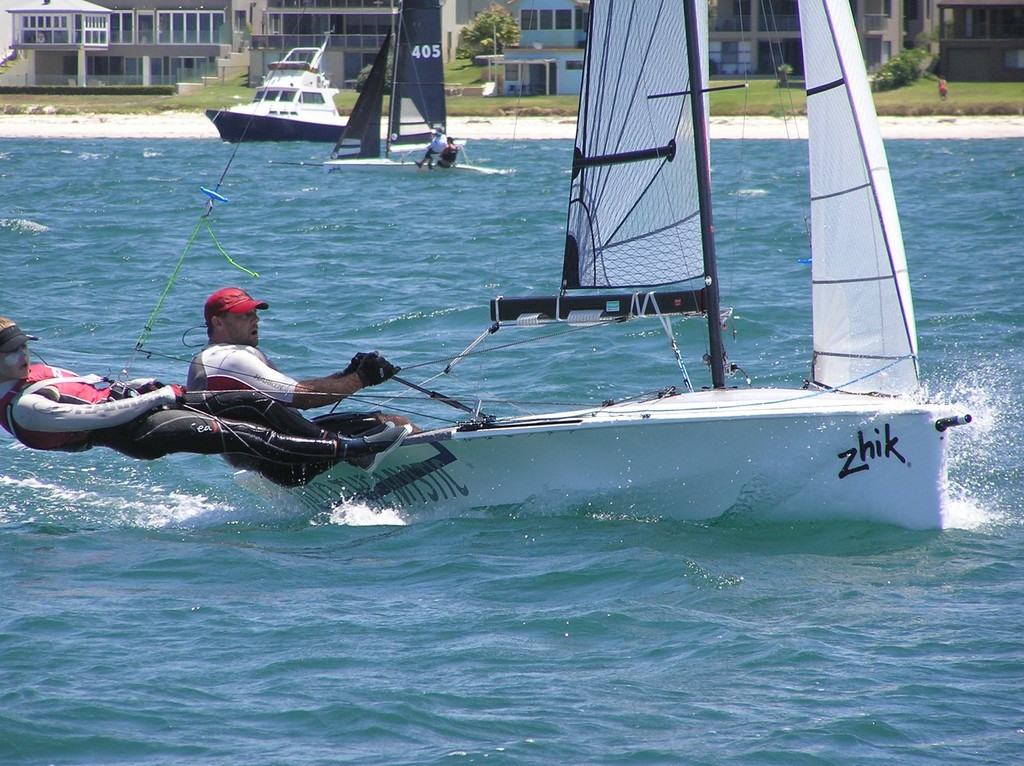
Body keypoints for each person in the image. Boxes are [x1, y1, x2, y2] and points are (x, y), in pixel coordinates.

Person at [0, 317, 407, 486]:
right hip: (140, 431)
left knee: (252, 402)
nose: (24, 356)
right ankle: (352, 450)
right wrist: (158, 395)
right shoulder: (26, 409)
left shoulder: (29, 375)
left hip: (148, 403)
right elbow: (101, 414)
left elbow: (92, 385)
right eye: (12, 352)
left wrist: (140, 385)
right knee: (241, 432)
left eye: (24, 346)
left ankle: (324, 451)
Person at [187, 287, 414, 437]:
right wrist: (362, 378)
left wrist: (347, 374)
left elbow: (284, 394)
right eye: (244, 315)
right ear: (217, 322)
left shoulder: (211, 357)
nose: (255, 319)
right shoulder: (231, 357)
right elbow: (302, 397)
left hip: (263, 453)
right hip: (285, 453)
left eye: (254, 313)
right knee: (397, 424)